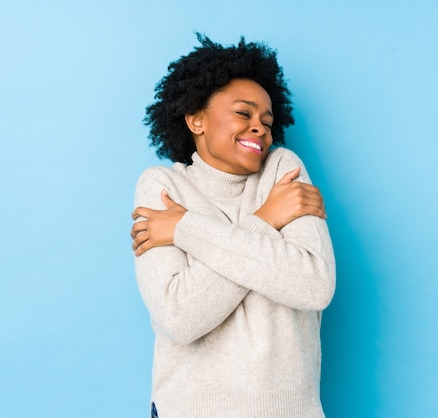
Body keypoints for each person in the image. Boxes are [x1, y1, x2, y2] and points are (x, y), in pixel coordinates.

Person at [131, 33, 336, 418]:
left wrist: (186, 229)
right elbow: (181, 317)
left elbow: (313, 284)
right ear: (196, 119)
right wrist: (269, 220)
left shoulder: (283, 169)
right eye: (243, 113)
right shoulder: (162, 187)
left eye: (267, 120)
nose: (259, 127)